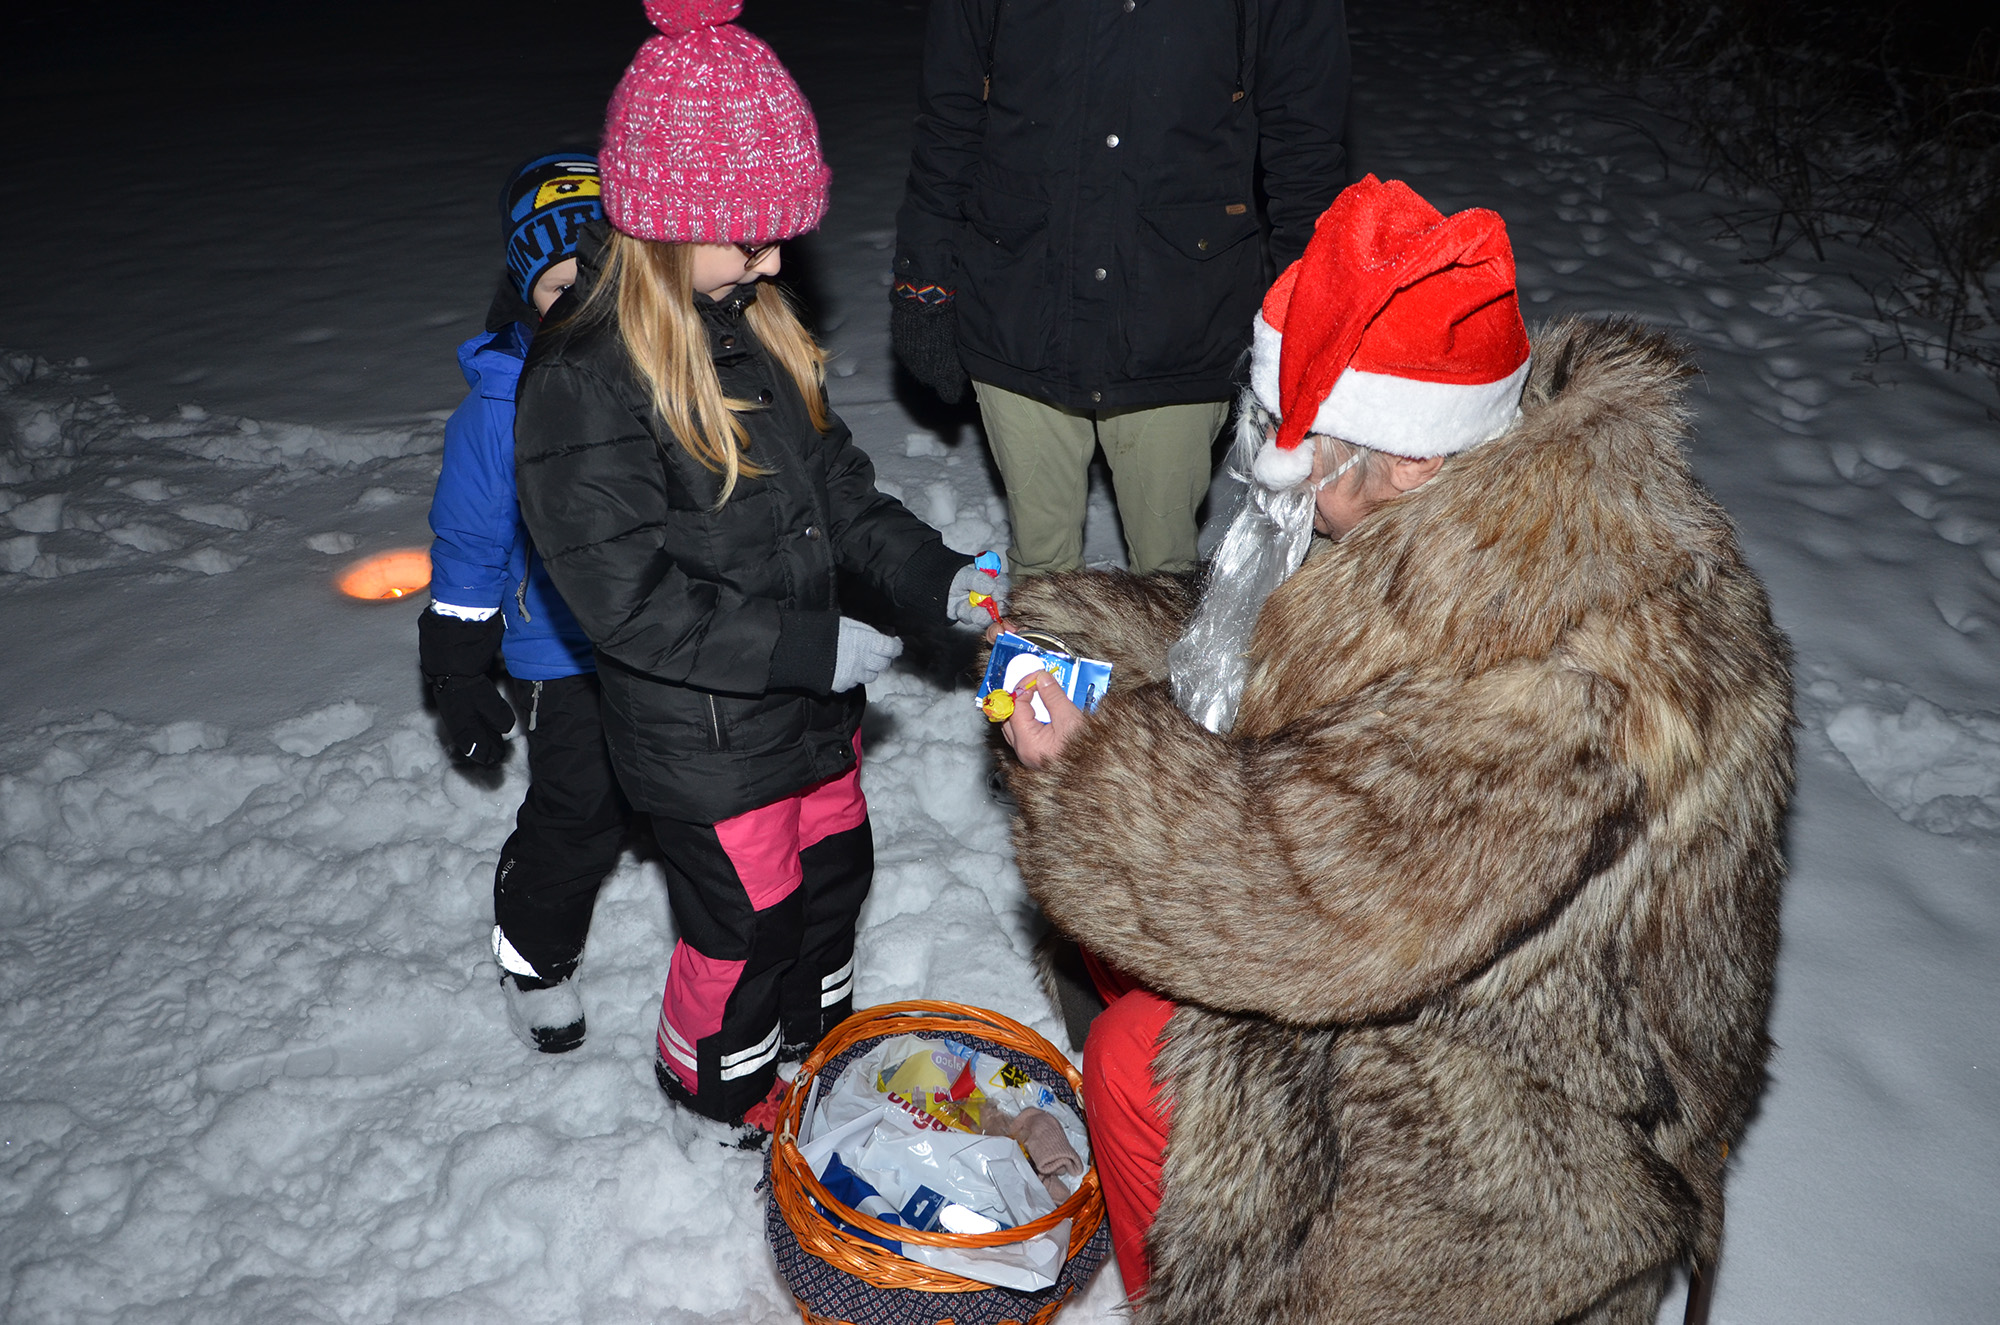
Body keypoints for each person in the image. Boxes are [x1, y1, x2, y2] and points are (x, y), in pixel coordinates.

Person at [991, 177, 1795, 1322]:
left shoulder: (1555, 686)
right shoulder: (1493, 502)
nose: (1285, 480)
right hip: (1444, 946)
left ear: (1412, 458)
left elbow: (1312, 906)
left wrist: (1093, 769)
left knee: (1135, 1055)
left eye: (1310, 455)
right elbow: (1286, 644)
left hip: (1534, 1124)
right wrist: (1078, 630)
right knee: (1136, 941)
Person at [513, 0, 1001, 1130]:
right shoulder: (583, 382)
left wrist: (934, 579)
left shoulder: (749, 324)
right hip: (707, 739)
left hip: (806, 714)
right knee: (744, 925)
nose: (777, 257)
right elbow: (623, 598)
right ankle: (715, 1093)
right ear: (671, 225)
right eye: (752, 235)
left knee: (831, 885)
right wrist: (807, 643)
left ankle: (817, 1048)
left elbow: (836, 491)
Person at [891, 0, 1350, 579]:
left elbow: (1305, 142)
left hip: (1179, 309)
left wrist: (1313, 310)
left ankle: (1167, 669)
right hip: (1020, 294)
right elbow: (948, 118)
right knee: (1043, 576)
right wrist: (923, 277)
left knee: (1165, 576)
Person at [421, 151, 623, 1057]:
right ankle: (534, 954)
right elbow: (470, 546)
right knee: (579, 810)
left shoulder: (662, 368)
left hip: (664, 635)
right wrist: (460, 664)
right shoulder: (500, 406)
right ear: (522, 293)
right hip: (559, 650)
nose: (582, 304)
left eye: (601, 278)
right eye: (557, 285)